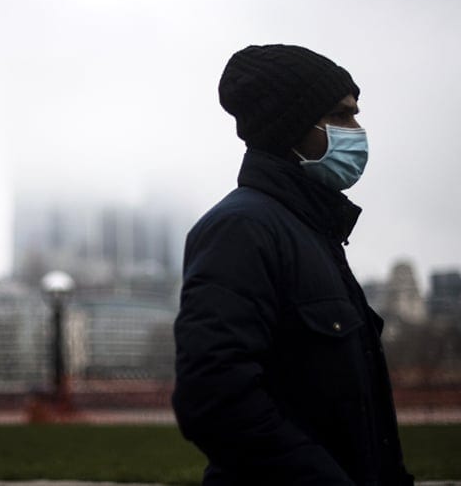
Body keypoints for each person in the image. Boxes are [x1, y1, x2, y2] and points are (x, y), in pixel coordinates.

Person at [172, 44, 414, 486]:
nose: (357, 130)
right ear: (292, 128)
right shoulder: (242, 230)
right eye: (341, 116)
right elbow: (214, 398)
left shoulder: (312, 232)